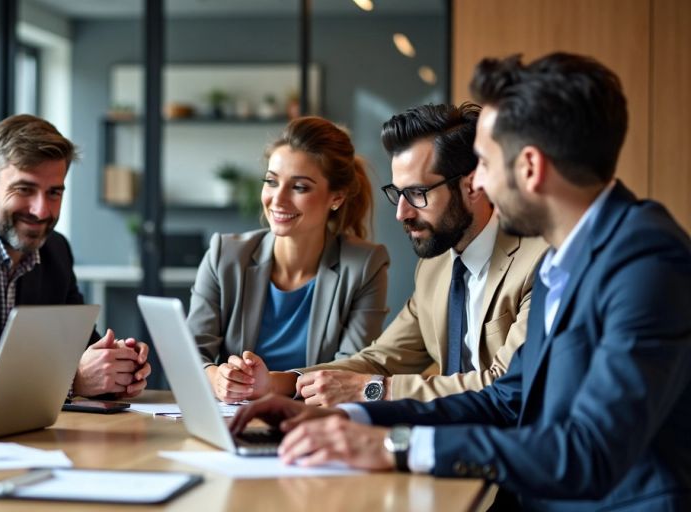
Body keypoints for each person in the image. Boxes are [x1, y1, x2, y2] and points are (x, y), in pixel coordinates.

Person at [230, 53, 691, 510]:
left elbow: (588, 453)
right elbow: (504, 401)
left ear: (529, 167)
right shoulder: (566, 257)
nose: (480, 183)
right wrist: (349, 417)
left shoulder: (646, 261)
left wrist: (397, 446)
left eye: (486, 163)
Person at [286, 104, 547, 405]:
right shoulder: (434, 267)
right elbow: (381, 359)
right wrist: (283, 382)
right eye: (398, 193)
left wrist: (372, 389)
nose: (401, 212)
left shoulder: (538, 262)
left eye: (417, 193)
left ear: (473, 185)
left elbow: (507, 384)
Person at [186, 116, 390, 403]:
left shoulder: (365, 265)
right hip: (234, 418)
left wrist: (272, 383)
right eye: (271, 182)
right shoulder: (224, 255)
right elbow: (190, 353)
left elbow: (355, 369)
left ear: (337, 197)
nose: (277, 200)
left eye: (300, 187)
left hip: (316, 424)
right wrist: (216, 378)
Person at [0, 114, 151, 397]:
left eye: (54, 193)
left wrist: (116, 364)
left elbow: (80, 344)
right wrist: (69, 380)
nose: (42, 210)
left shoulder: (56, 250)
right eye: (25, 189)